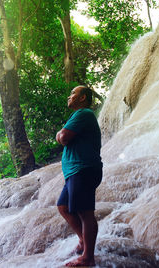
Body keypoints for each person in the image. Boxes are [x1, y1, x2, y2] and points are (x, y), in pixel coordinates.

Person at [56, 85, 103, 267]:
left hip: (83, 169)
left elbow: (64, 137)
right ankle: (83, 240)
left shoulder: (84, 114)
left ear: (83, 98)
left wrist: (60, 135)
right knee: (63, 207)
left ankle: (88, 258)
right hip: (75, 172)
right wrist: (60, 135)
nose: (69, 96)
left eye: (73, 93)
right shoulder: (77, 116)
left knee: (85, 213)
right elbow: (62, 136)